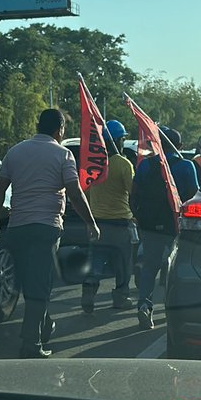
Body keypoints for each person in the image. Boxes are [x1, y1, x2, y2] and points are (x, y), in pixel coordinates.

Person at [0, 108, 100, 358]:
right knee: (39, 286)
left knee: (31, 282)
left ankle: (43, 325)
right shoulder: (63, 154)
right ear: (59, 130)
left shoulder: (15, 151)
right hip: (46, 228)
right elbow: (74, 192)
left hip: (17, 228)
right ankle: (32, 344)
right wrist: (90, 222)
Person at [132, 127, 198, 331]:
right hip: (176, 225)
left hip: (150, 224)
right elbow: (194, 196)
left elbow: (134, 194)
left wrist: (139, 217)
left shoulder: (145, 165)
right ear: (180, 146)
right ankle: (174, 309)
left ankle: (144, 305)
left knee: (149, 267)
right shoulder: (186, 166)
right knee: (177, 269)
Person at [81, 119, 137, 314]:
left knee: (96, 261)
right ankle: (121, 298)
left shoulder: (93, 165)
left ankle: (88, 292)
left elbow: (86, 193)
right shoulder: (123, 164)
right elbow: (133, 193)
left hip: (97, 223)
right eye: (122, 139)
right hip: (120, 223)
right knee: (123, 263)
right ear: (118, 140)